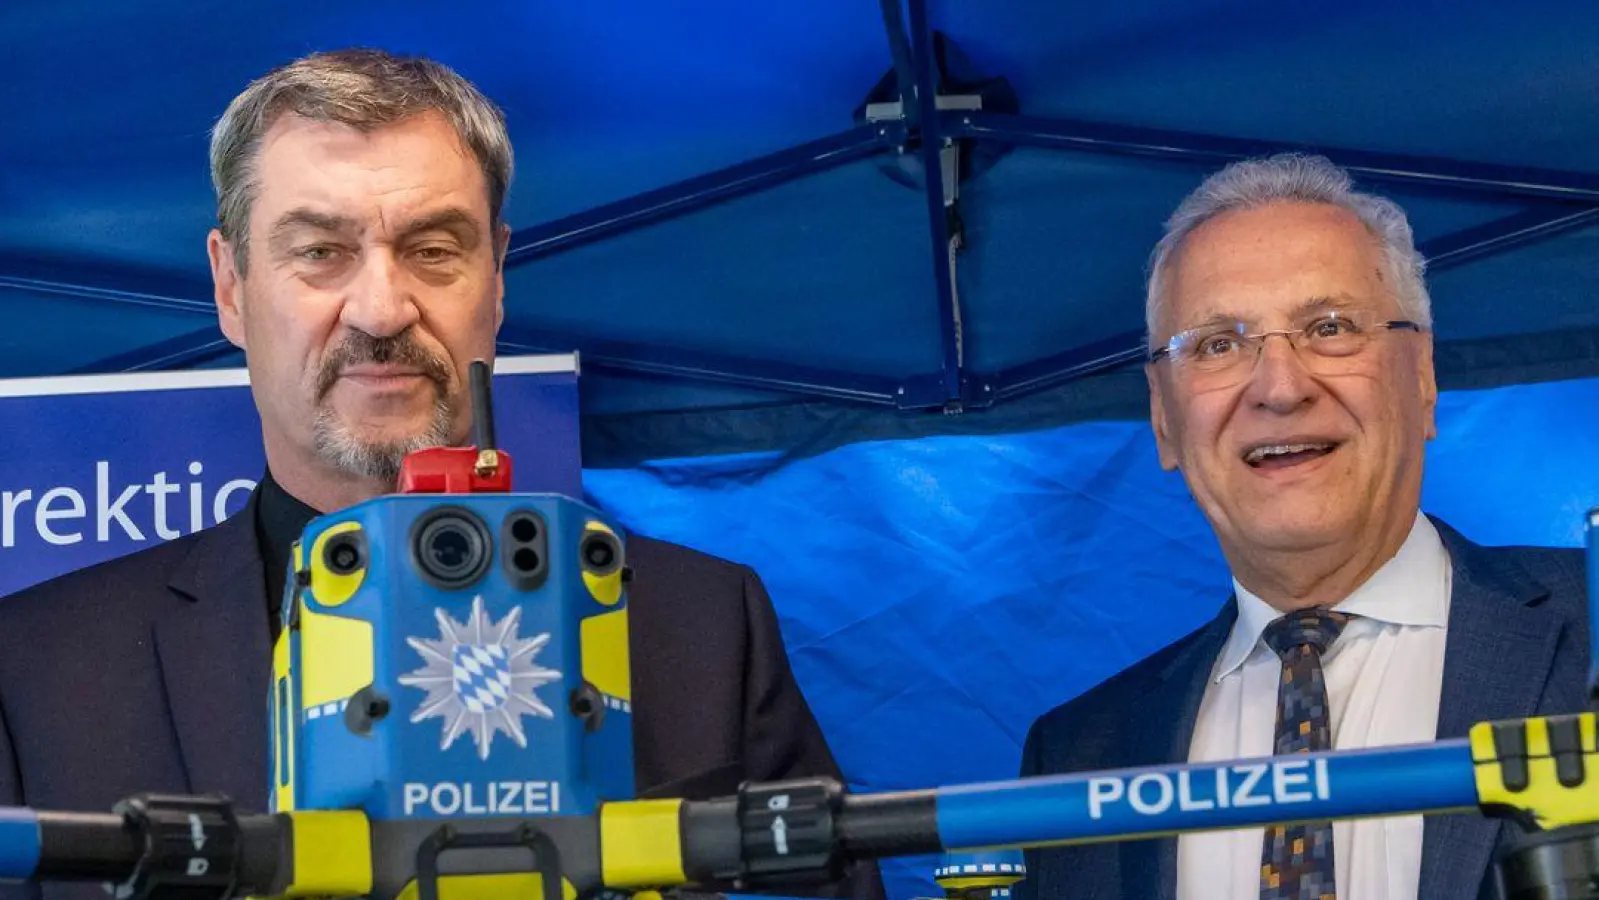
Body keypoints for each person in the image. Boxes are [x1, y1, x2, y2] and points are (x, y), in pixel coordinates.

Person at [0, 48, 882, 900]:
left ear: (495, 279)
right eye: (321, 251)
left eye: (432, 249)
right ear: (231, 287)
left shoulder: (705, 627)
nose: (382, 310)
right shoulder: (37, 670)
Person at [1016, 154, 1589, 900]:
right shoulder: (1077, 756)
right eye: (1218, 344)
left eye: (1329, 328)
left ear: (1421, 378)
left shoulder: (1591, 624)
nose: (1280, 388)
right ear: (1162, 417)